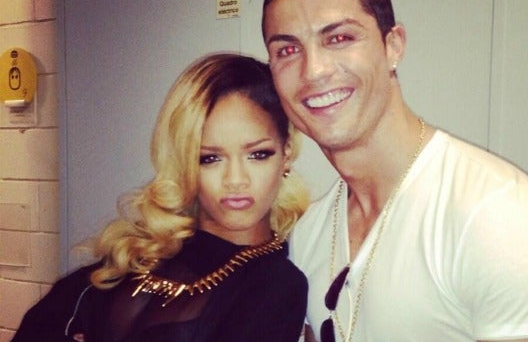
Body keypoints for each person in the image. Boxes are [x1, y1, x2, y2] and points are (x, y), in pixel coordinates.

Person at [247, 0, 528, 341]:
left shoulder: (502, 219)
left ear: (393, 46)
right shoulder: (310, 234)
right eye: (288, 50)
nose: (314, 71)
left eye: (340, 38)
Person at [12, 53, 310, 342]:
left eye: (258, 154)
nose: (235, 180)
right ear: (185, 162)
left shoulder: (278, 285)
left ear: (286, 154)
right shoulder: (140, 252)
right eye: (209, 158)